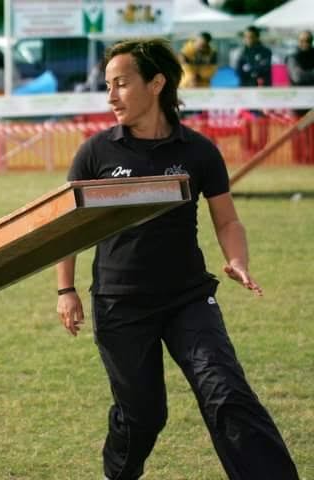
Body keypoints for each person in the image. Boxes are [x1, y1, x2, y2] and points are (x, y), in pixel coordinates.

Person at [55, 38, 299, 480]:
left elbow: (226, 220)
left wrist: (237, 259)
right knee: (143, 417)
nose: (110, 96)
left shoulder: (198, 151)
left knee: (228, 395)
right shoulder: (97, 152)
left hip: (188, 297)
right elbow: (65, 229)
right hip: (119, 303)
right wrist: (66, 289)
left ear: (156, 83)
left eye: (121, 84)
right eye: (107, 85)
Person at [236, 26, 272, 154]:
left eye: (251, 37)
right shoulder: (242, 53)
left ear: (257, 37)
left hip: (262, 92)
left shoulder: (266, 52)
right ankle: (247, 149)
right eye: (246, 37)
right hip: (245, 93)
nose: (248, 39)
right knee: (246, 122)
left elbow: (263, 69)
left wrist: (251, 70)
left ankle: (262, 149)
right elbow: (239, 71)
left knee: (262, 121)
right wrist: (253, 71)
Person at [286, 30, 314, 164]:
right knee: (298, 133)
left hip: (312, 103)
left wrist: (306, 75)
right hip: (297, 102)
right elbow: (297, 77)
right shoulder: (293, 57)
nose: (305, 43)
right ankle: (298, 159)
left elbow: (302, 76)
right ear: (298, 42)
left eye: (308, 40)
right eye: (302, 40)